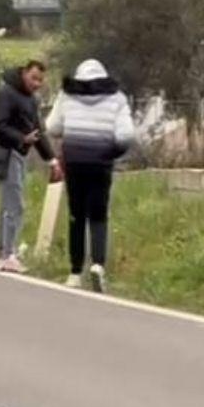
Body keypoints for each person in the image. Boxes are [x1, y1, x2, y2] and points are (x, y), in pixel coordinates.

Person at [45, 59, 136, 293]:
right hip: (101, 162)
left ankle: (75, 272)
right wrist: (111, 153)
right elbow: (126, 135)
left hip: (74, 161)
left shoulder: (67, 95)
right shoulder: (116, 98)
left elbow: (53, 127)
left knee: (76, 216)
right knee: (98, 215)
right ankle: (98, 266)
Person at [0, 60, 62, 273]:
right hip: (5, 153)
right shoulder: (5, 94)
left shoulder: (31, 100)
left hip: (18, 154)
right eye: (33, 78)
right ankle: (9, 254)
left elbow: (38, 132)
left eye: (40, 80)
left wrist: (51, 159)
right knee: (15, 206)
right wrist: (21, 138)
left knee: (6, 207)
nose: (36, 83)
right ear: (24, 73)